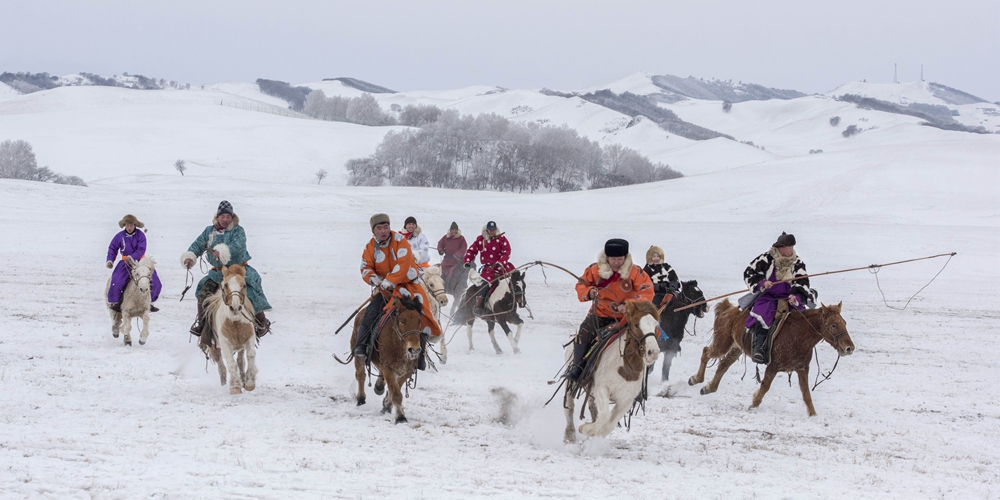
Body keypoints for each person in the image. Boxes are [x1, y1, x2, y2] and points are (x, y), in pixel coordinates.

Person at [354, 213, 443, 368]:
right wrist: (373, 278)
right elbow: (365, 267)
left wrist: (390, 281)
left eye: (386, 227)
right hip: (384, 290)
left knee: (419, 314)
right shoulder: (370, 247)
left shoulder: (400, 241)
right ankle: (362, 346)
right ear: (373, 231)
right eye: (379, 228)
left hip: (408, 287)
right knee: (371, 312)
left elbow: (403, 264)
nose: (383, 231)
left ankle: (420, 355)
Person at [181, 201, 273, 347]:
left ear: (232, 217)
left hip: (238, 271)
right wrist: (190, 256)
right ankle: (202, 324)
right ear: (217, 217)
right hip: (218, 273)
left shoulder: (238, 231)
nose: (225, 219)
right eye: (222, 216)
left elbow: (238, 246)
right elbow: (198, 245)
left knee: (249, 292)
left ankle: (261, 322)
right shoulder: (209, 231)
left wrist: (222, 251)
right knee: (202, 291)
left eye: (228, 216)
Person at [566, 238, 654, 382]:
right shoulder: (595, 270)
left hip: (627, 317)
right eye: (613, 259)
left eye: (620, 259)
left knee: (646, 334)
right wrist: (589, 292)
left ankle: (645, 367)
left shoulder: (635, 272)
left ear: (625, 258)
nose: (616, 263)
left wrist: (630, 305)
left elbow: (647, 291)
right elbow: (581, 285)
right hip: (600, 314)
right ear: (607, 257)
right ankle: (578, 367)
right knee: (583, 332)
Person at [743, 232, 818, 364]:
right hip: (768, 297)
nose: (790, 250)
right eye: (788, 247)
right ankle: (759, 349)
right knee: (764, 314)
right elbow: (749, 273)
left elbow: (802, 282)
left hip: (789, 299)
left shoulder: (797, 262)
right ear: (780, 248)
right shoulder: (766, 259)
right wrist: (762, 283)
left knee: (800, 319)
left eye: (792, 247)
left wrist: (796, 297)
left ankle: (797, 350)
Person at [106, 214, 162, 312]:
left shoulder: (141, 235)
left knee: (155, 282)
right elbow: (112, 248)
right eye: (127, 225)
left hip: (140, 262)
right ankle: (115, 303)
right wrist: (110, 260)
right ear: (124, 226)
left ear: (135, 225)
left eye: (131, 225)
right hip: (125, 263)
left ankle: (150, 303)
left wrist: (132, 257)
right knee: (116, 281)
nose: (129, 228)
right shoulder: (119, 236)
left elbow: (141, 249)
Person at [463, 220, 515, 315]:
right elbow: (472, 250)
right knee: (485, 284)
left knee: (515, 280)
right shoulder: (480, 240)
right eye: (490, 230)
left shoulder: (502, 239)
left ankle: (517, 301)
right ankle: (479, 305)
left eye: (493, 230)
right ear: (487, 230)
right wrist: (467, 260)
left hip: (502, 267)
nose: (492, 232)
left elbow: (507, 252)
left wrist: (501, 262)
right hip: (489, 269)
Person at [436, 222, 468, 296]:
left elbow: (464, 247)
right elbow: (440, 244)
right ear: (450, 230)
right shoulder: (445, 237)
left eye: (455, 230)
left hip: (457, 262)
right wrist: (440, 250)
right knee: (442, 274)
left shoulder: (461, 238)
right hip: (446, 261)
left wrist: (458, 254)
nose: (454, 231)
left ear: (457, 230)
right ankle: (443, 288)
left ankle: (460, 288)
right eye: (452, 230)